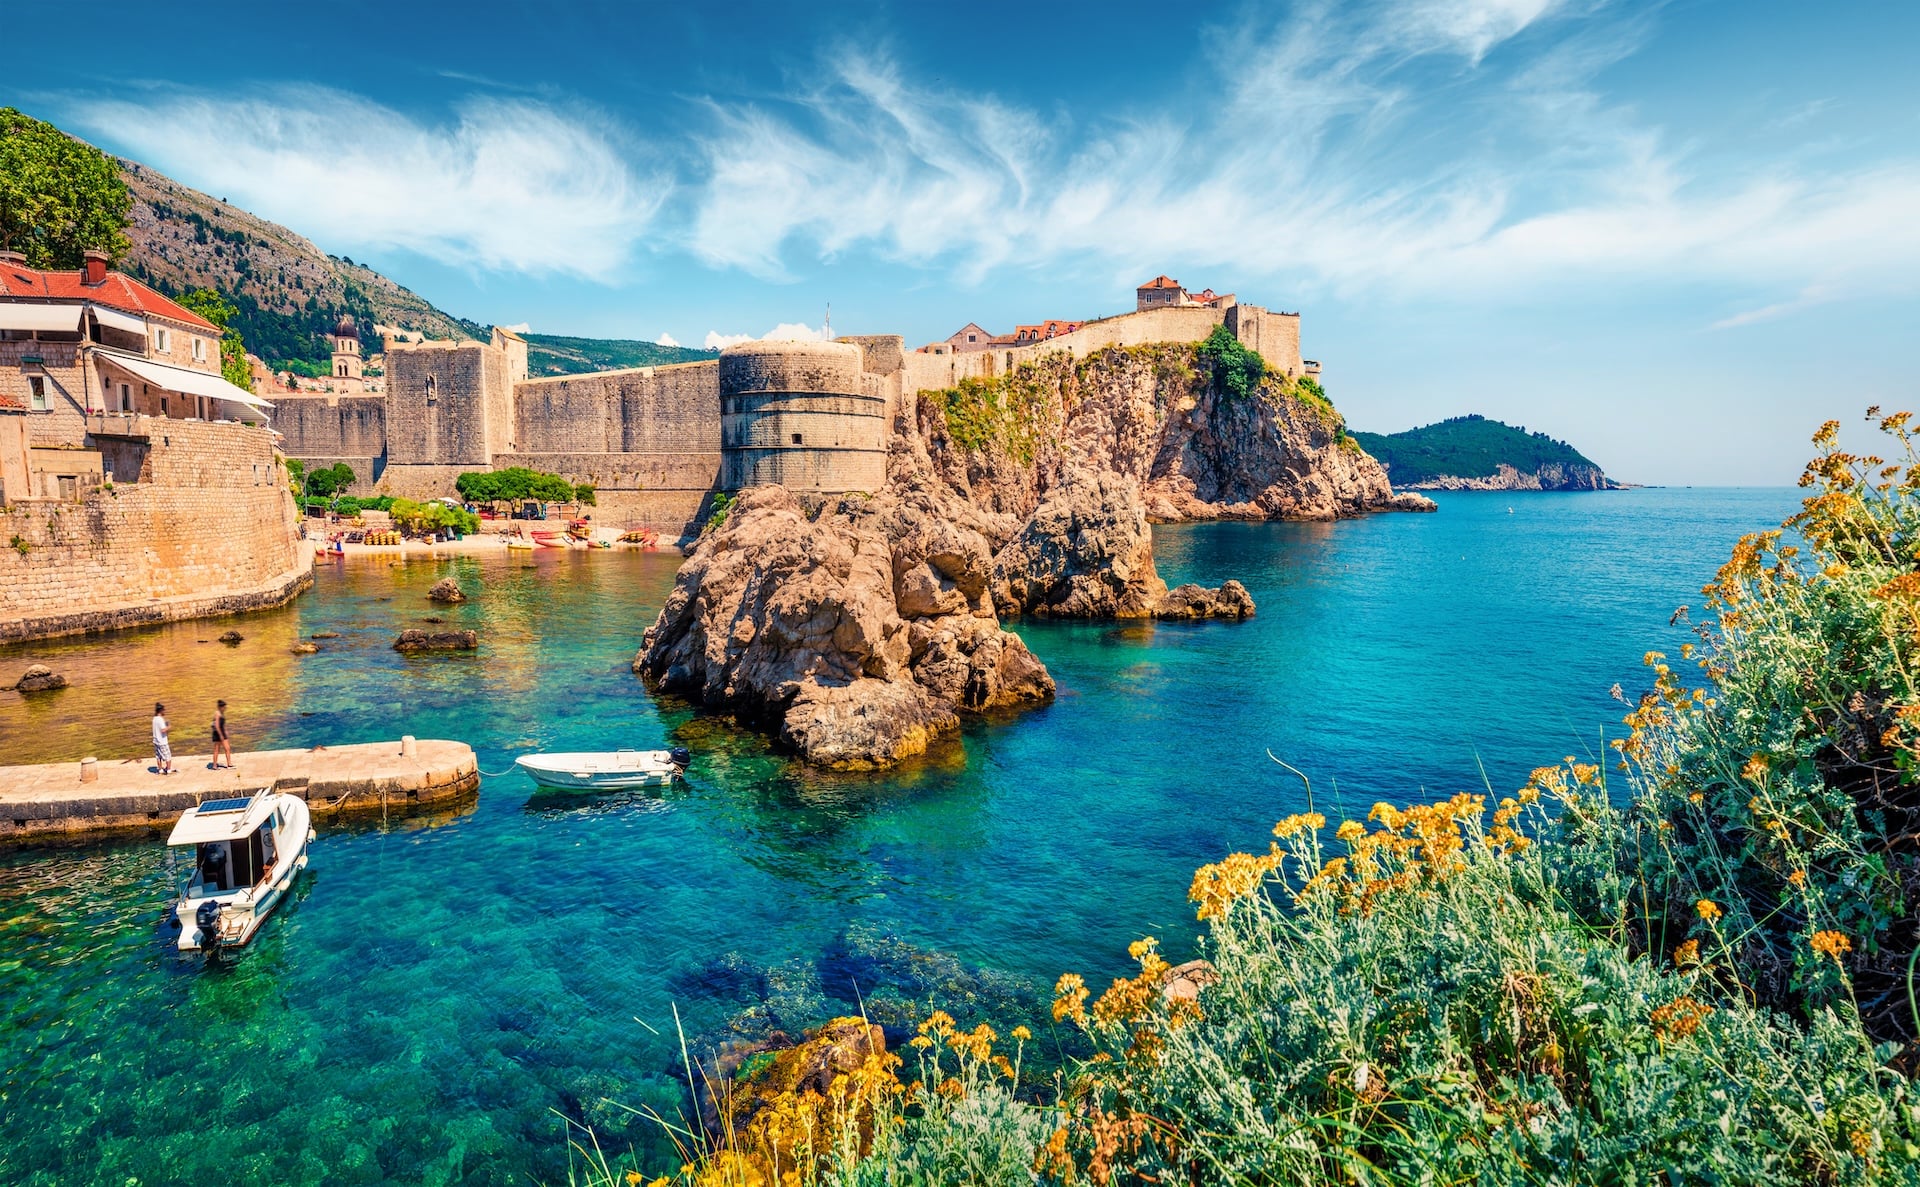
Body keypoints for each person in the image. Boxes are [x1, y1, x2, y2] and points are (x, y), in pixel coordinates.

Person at [211, 700, 233, 770]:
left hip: (222, 732)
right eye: (224, 707)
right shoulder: (217, 713)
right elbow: (217, 725)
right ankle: (214, 765)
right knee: (217, 750)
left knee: (227, 748)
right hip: (218, 733)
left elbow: (222, 724)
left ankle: (229, 764)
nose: (225, 708)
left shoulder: (222, 713)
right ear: (221, 707)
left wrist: (225, 731)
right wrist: (220, 735)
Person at [152, 703, 173, 775]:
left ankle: (160, 769)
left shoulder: (154, 719)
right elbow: (163, 730)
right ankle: (169, 769)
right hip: (162, 741)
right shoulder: (160, 719)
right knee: (168, 756)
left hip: (156, 740)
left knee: (158, 756)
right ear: (160, 711)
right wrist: (169, 726)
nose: (164, 711)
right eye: (163, 710)